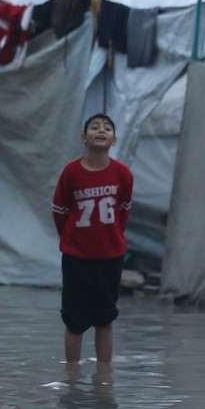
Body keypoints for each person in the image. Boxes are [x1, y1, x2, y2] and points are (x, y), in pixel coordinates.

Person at [51, 113, 133, 365]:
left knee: (105, 319)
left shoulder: (123, 174)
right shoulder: (71, 172)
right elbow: (60, 212)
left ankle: (104, 378)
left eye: (107, 128)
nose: (101, 130)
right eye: (94, 127)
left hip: (110, 257)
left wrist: (112, 238)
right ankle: (72, 377)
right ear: (83, 138)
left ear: (114, 140)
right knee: (74, 321)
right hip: (76, 257)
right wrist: (72, 241)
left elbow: (124, 211)